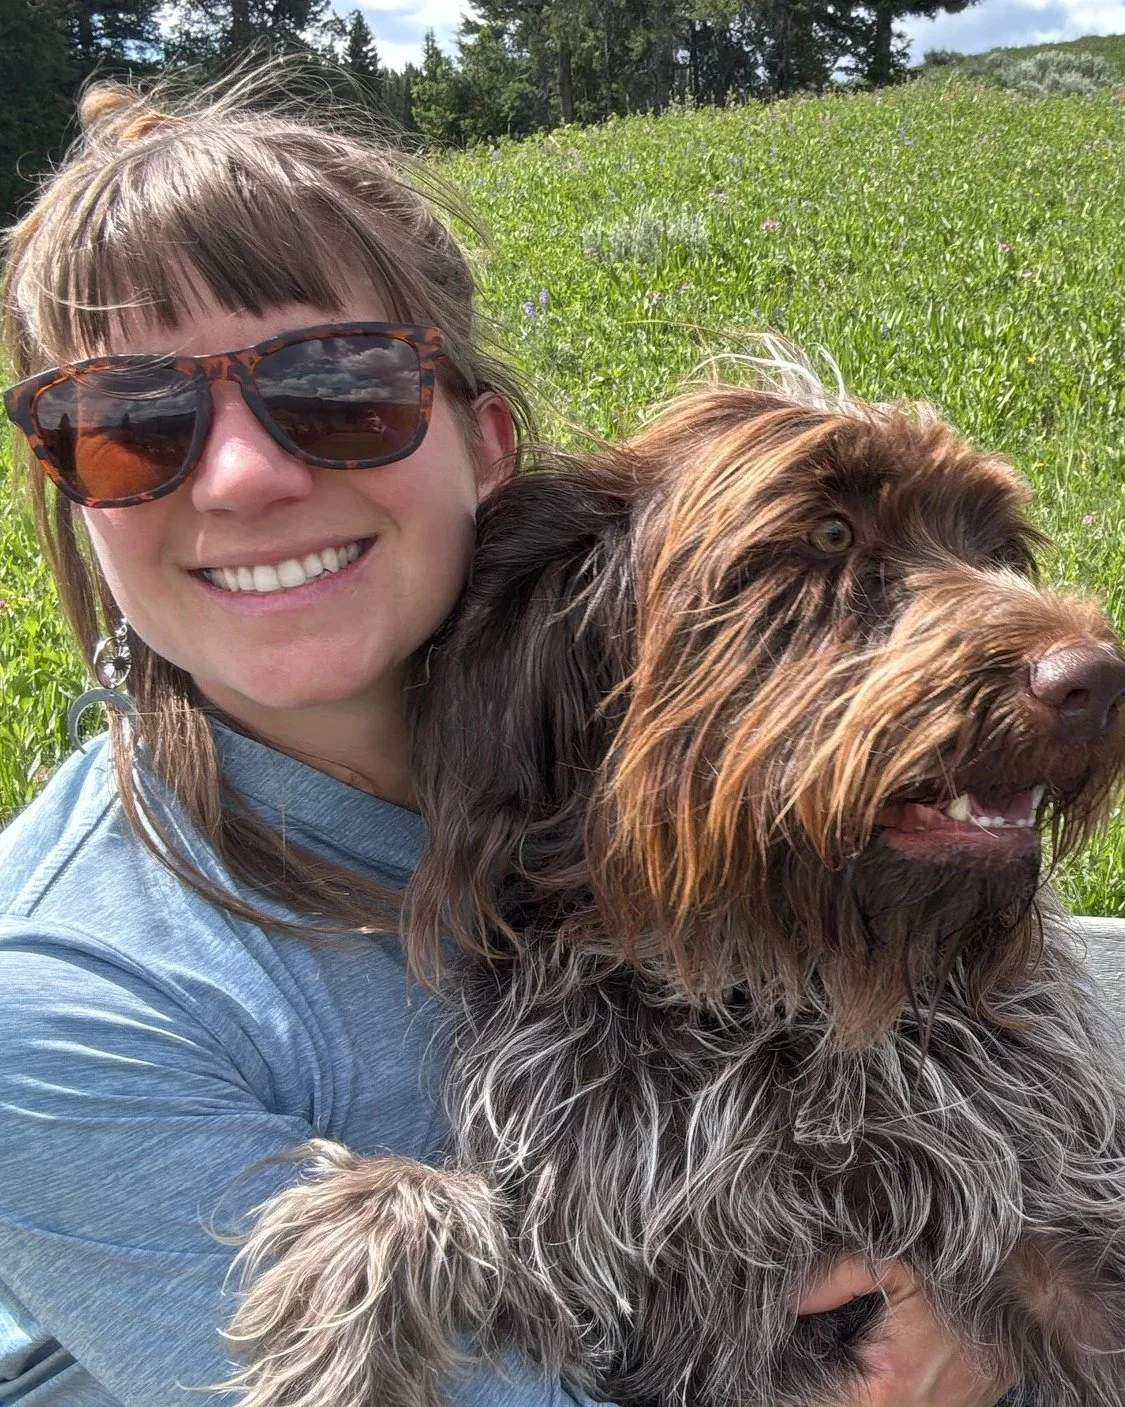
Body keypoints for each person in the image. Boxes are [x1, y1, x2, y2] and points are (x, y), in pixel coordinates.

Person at [0, 72, 1011, 1407]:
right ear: (77, 501)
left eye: (339, 384)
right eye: (127, 424)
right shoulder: (61, 1002)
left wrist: (1000, 1312)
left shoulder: (707, 764)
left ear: (484, 446)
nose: (243, 477)